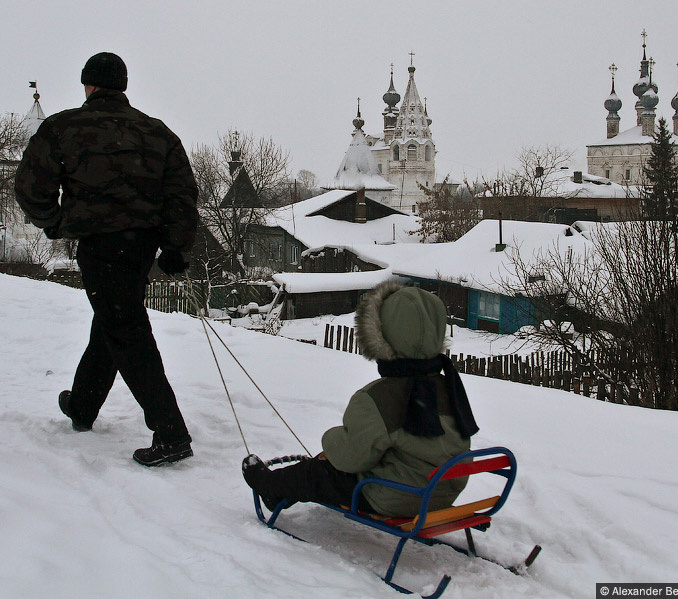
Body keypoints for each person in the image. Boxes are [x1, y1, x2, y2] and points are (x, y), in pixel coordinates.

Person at [15, 52, 199, 467]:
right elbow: (183, 195)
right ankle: (83, 404)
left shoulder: (63, 127)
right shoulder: (158, 133)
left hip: (99, 243)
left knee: (124, 326)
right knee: (115, 318)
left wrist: (54, 222)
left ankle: (171, 432)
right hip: (141, 247)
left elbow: (29, 187)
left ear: (90, 85)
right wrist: (173, 245)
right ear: (123, 86)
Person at [242, 281, 479, 517]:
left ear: (381, 337)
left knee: (317, 472)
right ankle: (282, 492)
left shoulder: (378, 398)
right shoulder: (448, 387)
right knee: (340, 462)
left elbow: (350, 458)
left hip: (396, 497)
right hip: (442, 493)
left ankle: (269, 486)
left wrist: (332, 438)